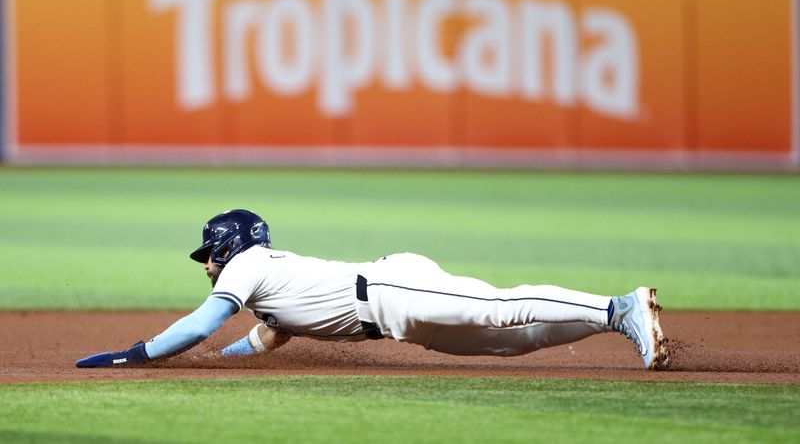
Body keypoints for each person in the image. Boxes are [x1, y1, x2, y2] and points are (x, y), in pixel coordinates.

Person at [76, 209, 669, 370]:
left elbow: (203, 324)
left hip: (389, 289)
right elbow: (263, 340)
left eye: (209, 254)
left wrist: (135, 354)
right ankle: (617, 321)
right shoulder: (264, 282)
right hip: (393, 315)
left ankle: (619, 305)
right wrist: (226, 361)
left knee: (498, 308)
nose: (205, 266)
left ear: (227, 247)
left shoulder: (245, 265)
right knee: (509, 343)